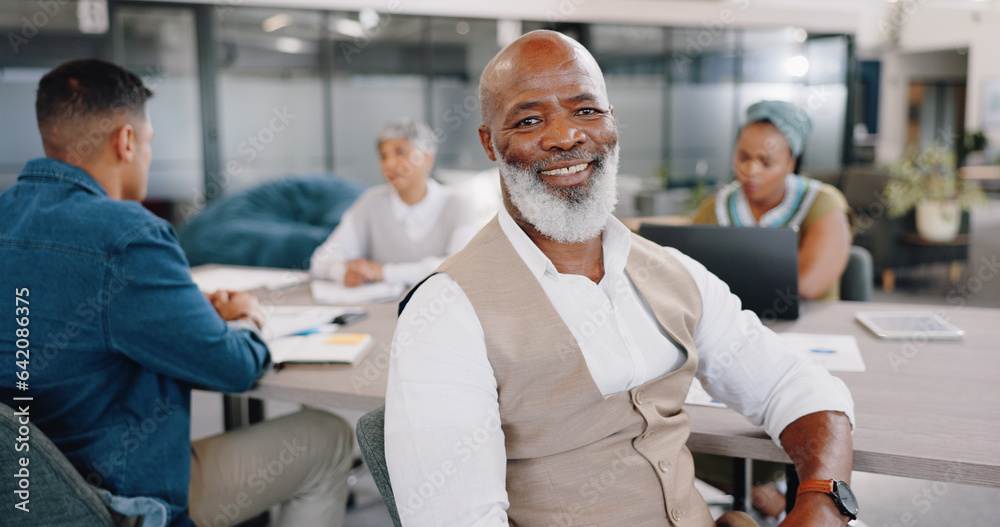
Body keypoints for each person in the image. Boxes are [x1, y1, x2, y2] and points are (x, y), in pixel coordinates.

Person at [384, 31, 857, 527]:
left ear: (612, 122)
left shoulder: (673, 272)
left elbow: (795, 384)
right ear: (489, 143)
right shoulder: (447, 314)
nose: (566, 137)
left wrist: (822, 504)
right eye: (529, 120)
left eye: (586, 111)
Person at [0, 59, 353, 527]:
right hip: (117, 500)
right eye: (148, 143)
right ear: (126, 141)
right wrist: (246, 318)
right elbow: (232, 368)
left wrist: (184, 312)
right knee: (326, 439)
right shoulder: (128, 235)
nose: (147, 155)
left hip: (23, 494)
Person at [691, 100, 852, 300]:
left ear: (790, 164)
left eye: (766, 162)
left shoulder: (823, 203)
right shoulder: (718, 205)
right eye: (743, 158)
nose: (751, 171)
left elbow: (807, 286)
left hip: (811, 327)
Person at [310, 118, 477, 287]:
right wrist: (343, 272)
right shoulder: (370, 203)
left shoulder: (457, 204)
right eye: (383, 156)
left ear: (427, 158)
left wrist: (383, 273)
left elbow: (461, 267)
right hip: (381, 311)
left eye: (400, 152)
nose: (389, 164)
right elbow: (320, 260)